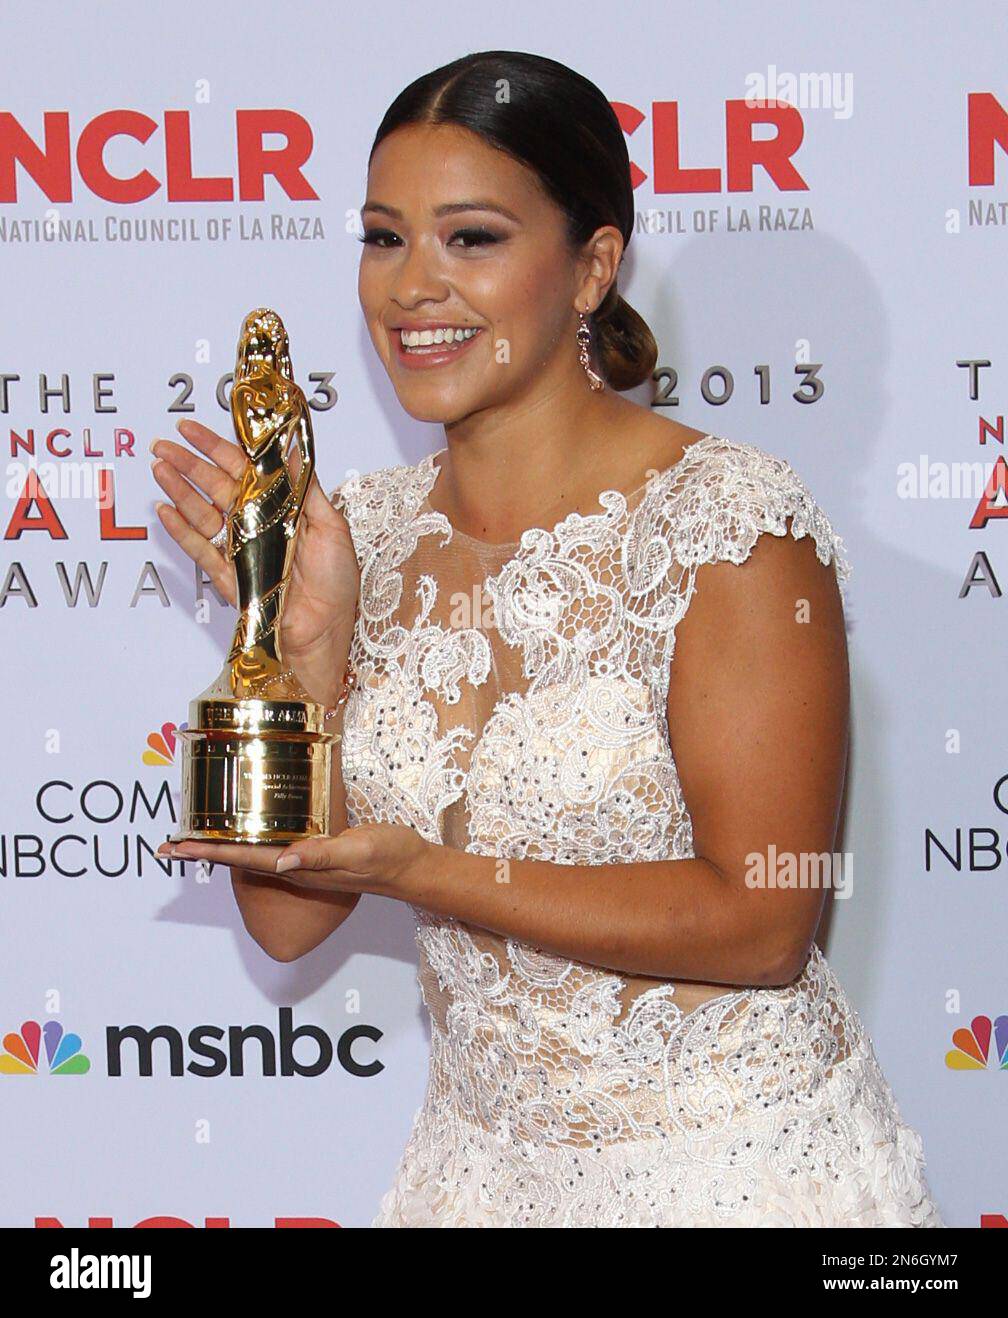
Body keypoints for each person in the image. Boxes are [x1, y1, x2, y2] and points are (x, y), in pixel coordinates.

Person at [151, 50, 942, 1228]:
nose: (413, 286)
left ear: (593, 268)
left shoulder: (725, 526)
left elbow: (766, 923)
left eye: (471, 238)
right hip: (480, 1182)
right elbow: (281, 918)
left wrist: (423, 873)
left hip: (743, 1177)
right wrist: (303, 652)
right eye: (384, 238)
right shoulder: (351, 532)